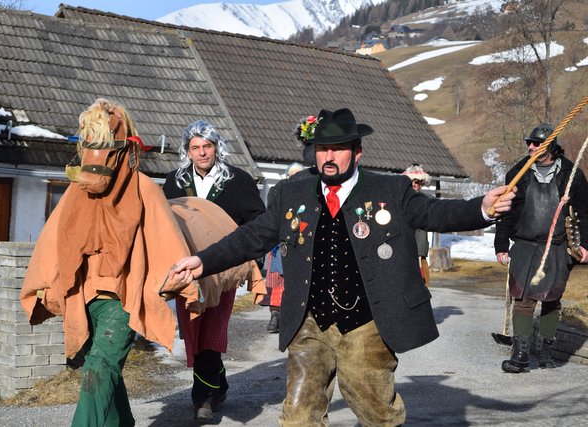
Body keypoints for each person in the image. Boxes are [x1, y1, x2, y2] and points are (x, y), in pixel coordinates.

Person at [170, 108, 515, 426]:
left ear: (357, 152)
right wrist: (203, 261)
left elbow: (436, 215)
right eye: (322, 149)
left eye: (337, 148)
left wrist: (481, 209)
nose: (329, 157)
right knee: (299, 418)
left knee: (378, 413)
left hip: (366, 323)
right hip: (308, 322)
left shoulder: (391, 189)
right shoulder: (291, 194)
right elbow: (251, 237)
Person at [20, 99, 200, 426]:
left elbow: (167, 243)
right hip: (85, 300)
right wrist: (47, 289)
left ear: (122, 149)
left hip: (122, 302)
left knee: (97, 370)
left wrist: (182, 284)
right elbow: (54, 242)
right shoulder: (76, 193)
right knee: (104, 371)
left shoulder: (145, 191)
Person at [163, 119, 266, 419]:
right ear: (187, 151)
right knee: (193, 331)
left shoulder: (238, 180)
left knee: (211, 330)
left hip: (224, 270)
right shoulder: (175, 182)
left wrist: (251, 263)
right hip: (187, 271)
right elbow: (164, 224)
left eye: (207, 146)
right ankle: (217, 386)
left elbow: (257, 223)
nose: (202, 153)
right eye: (195, 148)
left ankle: (203, 399)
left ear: (216, 148)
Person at [494, 122, 588, 374]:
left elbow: (585, 213)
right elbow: (506, 212)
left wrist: (585, 244)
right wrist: (501, 244)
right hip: (524, 244)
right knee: (523, 297)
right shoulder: (518, 173)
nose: (531, 147)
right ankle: (521, 353)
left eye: (536, 143)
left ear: (551, 146)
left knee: (551, 299)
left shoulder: (572, 174)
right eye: (529, 143)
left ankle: (546, 348)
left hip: (557, 246)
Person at [265, 162, 306, 333]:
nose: (295, 178)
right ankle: (276, 316)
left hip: (303, 243)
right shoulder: (278, 191)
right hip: (282, 242)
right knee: (278, 281)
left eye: (299, 175)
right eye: (293, 175)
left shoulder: (310, 192)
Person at [402, 163, 432, 287]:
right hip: (403, 246)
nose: (415, 184)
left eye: (418, 182)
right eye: (412, 182)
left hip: (419, 247)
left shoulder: (426, 200)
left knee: (422, 282)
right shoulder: (399, 199)